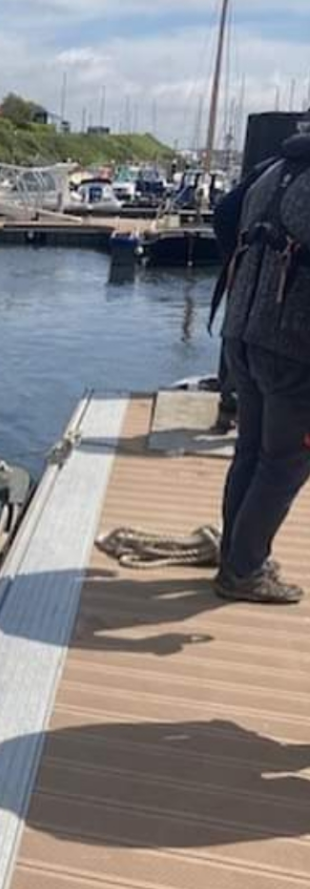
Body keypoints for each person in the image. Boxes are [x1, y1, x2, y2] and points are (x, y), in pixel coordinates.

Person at [216, 129, 310, 604]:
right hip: (293, 343)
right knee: (285, 463)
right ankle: (244, 569)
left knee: (251, 452)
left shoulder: (271, 169)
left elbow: (223, 216)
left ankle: (235, 557)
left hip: (241, 331)